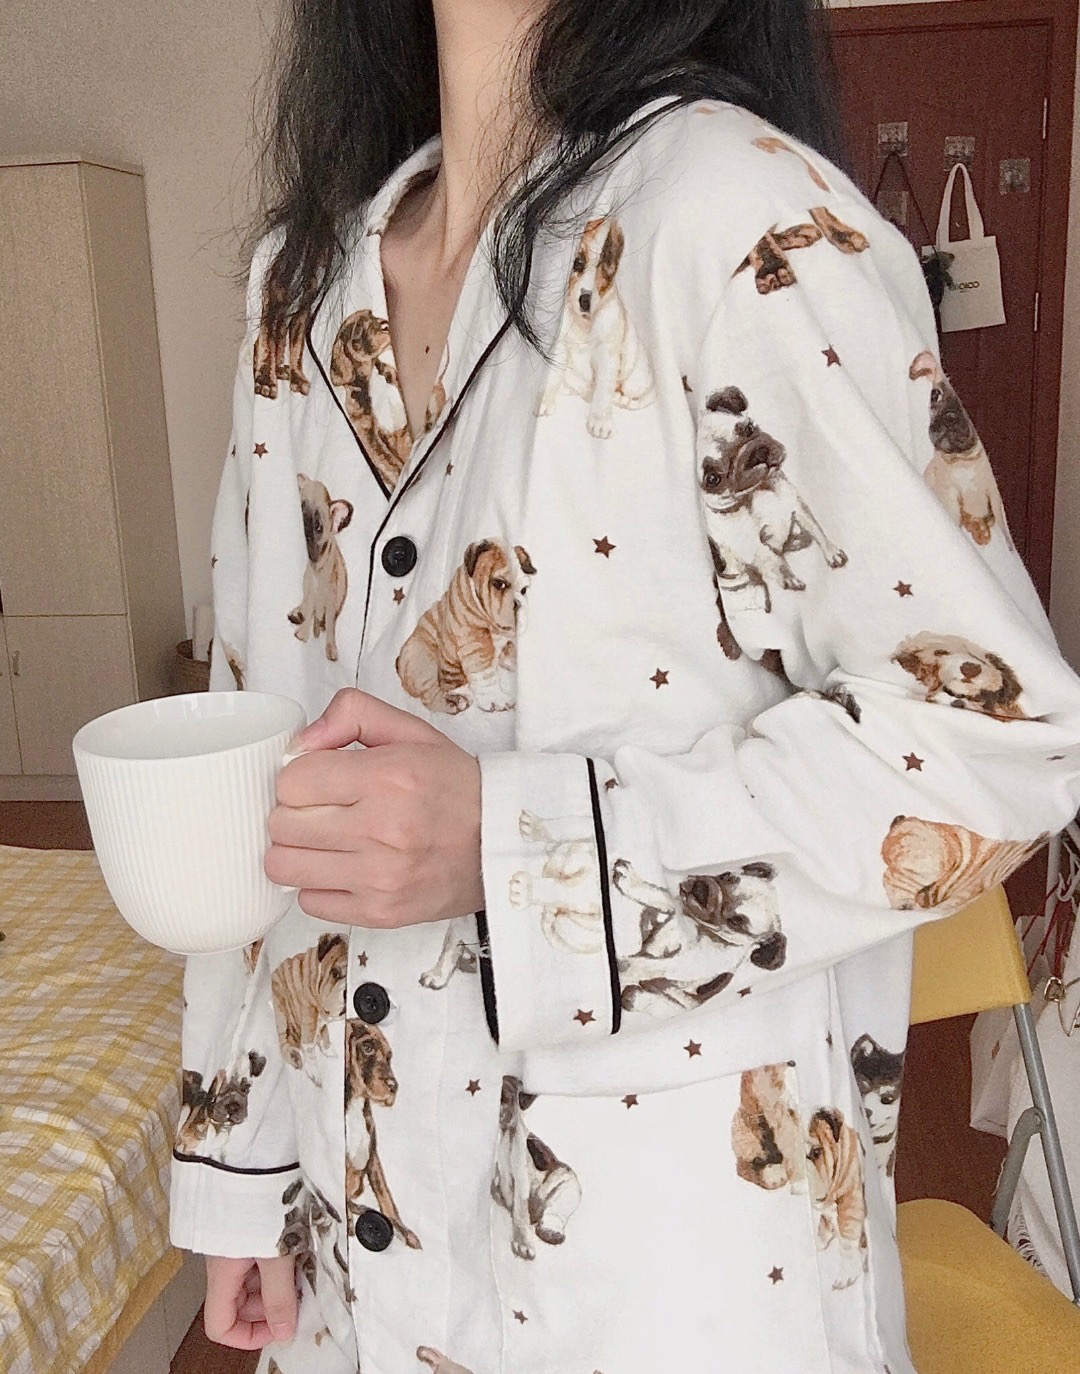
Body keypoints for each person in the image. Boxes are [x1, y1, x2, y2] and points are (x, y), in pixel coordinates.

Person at [169, 2, 1080, 1370]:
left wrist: (515, 846)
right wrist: (239, 1161)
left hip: (671, 1272)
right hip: (360, 1248)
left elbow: (992, 738)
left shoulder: (735, 223)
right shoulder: (298, 290)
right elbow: (260, 749)